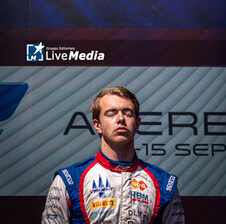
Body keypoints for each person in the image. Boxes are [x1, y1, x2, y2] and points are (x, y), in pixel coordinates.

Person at [42, 86, 185, 223]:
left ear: (137, 123)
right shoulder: (69, 180)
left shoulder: (165, 183)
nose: (121, 118)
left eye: (128, 113)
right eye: (111, 113)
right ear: (97, 125)